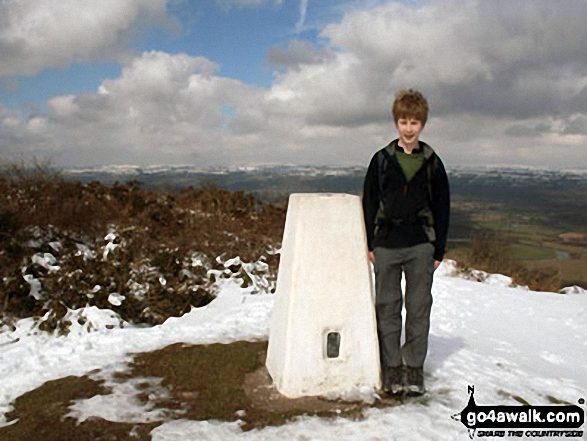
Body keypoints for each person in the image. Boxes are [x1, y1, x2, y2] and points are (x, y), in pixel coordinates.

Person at [362, 89, 450, 396]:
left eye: (414, 122)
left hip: (420, 245)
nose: (409, 128)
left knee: (418, 307)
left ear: (422, 124)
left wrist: (438, 249)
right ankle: (391, 368)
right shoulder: (382, 160)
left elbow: (442, 206)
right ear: (396, 123)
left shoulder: (431, 162)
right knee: (387, 306)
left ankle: (414, 369)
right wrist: (371, 244)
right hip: (386, 243)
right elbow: (370, 202)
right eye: (403, 121)